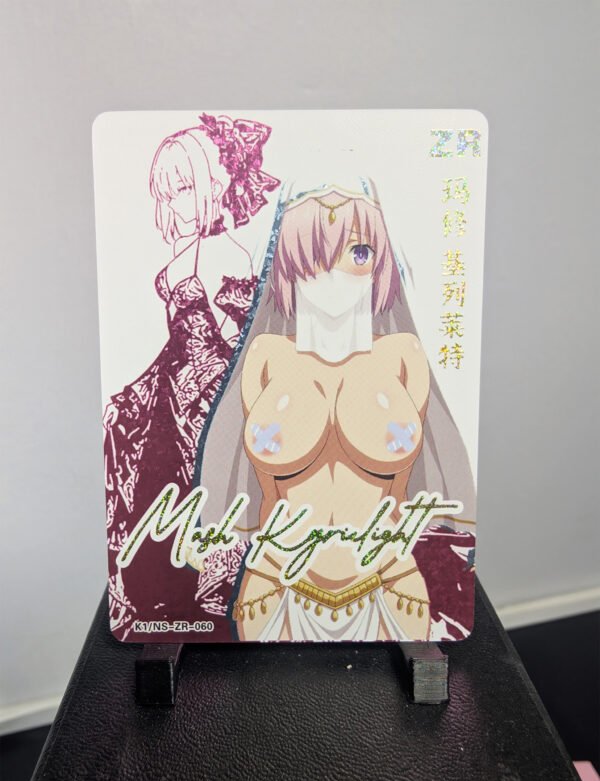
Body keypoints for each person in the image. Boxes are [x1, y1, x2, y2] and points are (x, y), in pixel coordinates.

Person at [196, 179, 476, 643]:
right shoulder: (266, 356)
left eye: (359, 253)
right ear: (287, 263)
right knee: (262, 691)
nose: (334, 276)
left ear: (381, 263)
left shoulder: (403, 356)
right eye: (313, 254)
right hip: (275, 583)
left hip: (390, 582)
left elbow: (417, 479)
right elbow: (249, 479)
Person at [103, 114, 279, 639]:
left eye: (183, 189)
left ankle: (209, 594)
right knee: (163, 491)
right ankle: (169, 599)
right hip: (171, 390)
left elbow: (237, 338)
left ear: (215, 185)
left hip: (206, 396)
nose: (174, 204)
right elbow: (182, 337)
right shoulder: (196, 252)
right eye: (167, 193)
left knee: (203, 492)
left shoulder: (227, 254)